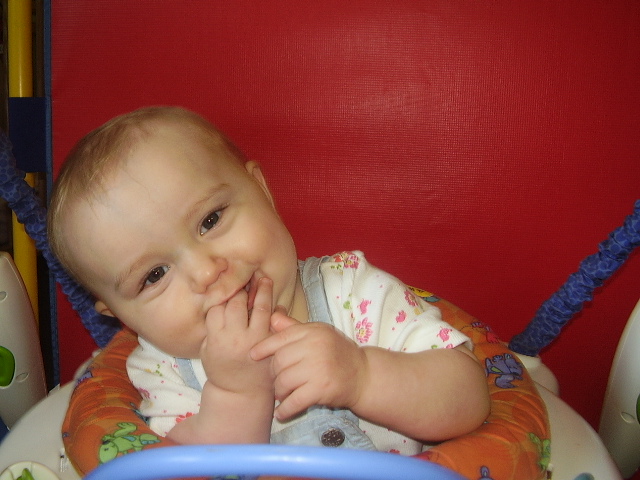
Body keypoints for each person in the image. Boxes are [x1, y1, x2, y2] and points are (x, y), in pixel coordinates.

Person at [48, 106, 490, 456]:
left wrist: (364, 375)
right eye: (154, 275)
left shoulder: (354, 293)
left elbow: (469, 399)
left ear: (262, 190)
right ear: (118, 314)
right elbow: (184, 473)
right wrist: (235, 395)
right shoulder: (162, 370)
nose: (206, 272)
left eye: (210, 220)